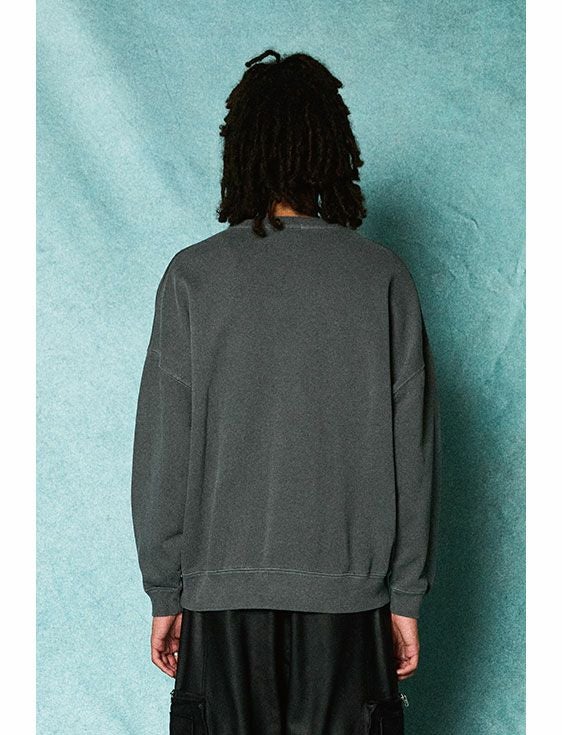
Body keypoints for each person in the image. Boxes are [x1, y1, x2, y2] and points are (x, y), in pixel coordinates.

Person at [131, 49, 441, 735]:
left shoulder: (192, 277)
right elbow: (414, 454)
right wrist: (405, 595)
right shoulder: (382, 276)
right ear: (331, 149)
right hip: (351, 606)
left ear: (241, 150)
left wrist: (165, 591)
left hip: (221, 606)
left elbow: (163, 453)